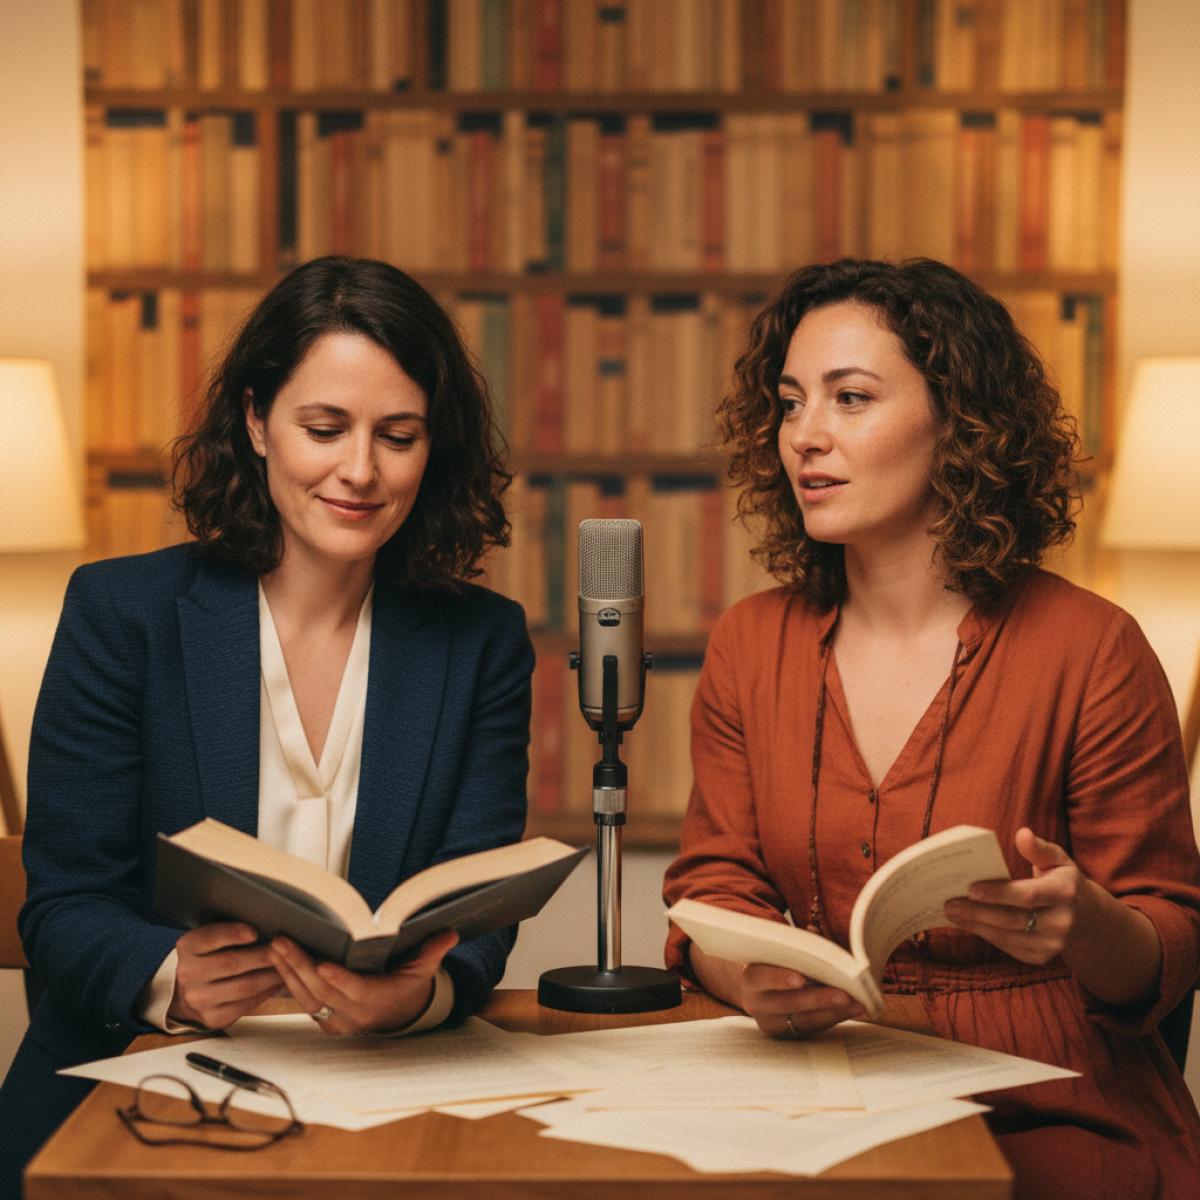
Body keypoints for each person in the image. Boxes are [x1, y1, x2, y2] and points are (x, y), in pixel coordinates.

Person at [662, 258, 1200, 1199]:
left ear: (959, 421)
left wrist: (1087, 921)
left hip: (1054, 1101)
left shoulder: (1094, 649)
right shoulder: (751, 644)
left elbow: (1170, 940)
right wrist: (748, 976)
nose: (806, 437)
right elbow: (715, 885)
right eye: (790, 404)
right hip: (825, 1093)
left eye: (851, 398)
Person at [0, 256, 533, 1192]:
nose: (359, 471)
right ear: (255, 420)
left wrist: (424, 995)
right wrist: (166, 973)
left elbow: (477, 915)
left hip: (378, 1096)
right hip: (133, 1093)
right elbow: (62, 905)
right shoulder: (122, 614)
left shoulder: (480, 641)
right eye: (323, 428)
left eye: (397, 436)